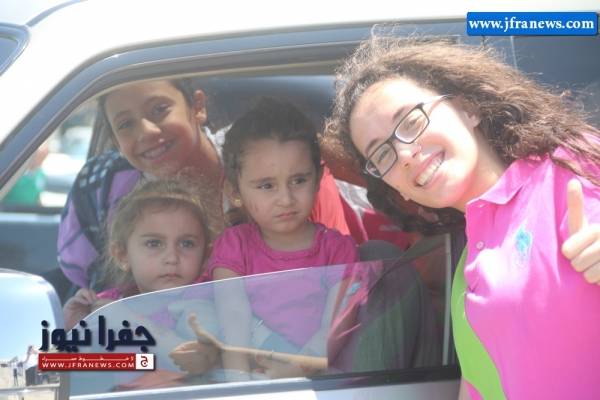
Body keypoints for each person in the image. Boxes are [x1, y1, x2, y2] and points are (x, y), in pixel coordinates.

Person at [325, 37, 600, 399]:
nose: (404, 154)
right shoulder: (469, 253)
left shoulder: (569, 169)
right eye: (382, 155)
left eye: (411, 121)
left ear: (467, 108)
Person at [58, 78, 361, 292]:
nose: (146, 131)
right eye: (125, 124)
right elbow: (97, 304)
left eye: (159, 109)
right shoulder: (102, 187)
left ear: (197, 107)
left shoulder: (268, 157)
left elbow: (331, 281)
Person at [206, 98, 359, 380]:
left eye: (299, 180)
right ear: (235, 192)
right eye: (267, 185)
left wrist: (291, 372)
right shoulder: (233, 247)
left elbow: (333, 330)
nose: (286, 199)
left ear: (318, 178)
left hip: (318, 382)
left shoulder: (338, 251)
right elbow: (233, 324)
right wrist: (240, 387)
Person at [62, 178, 221, 330]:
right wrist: (75, 323)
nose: (172, 258)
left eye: (187, 244)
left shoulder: (207, 305)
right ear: (122, 255)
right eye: (154, 244)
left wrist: (131, 323)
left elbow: (187, 348)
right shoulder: (111, 302)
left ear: (206, 256)